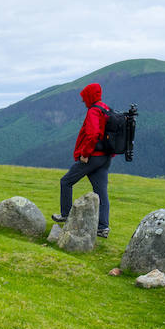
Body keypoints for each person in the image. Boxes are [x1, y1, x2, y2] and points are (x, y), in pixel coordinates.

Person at [54, 82, 112, 237]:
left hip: (93, 157)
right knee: (101, 192)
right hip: (105, 157)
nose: (83, 101)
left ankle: (65, 214)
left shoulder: (94, 111)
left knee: (66, 181)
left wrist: (85, 153)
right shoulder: (105, 108)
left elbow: (92, 135)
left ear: (90, 96)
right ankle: (103, 228)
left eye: (84, 97)